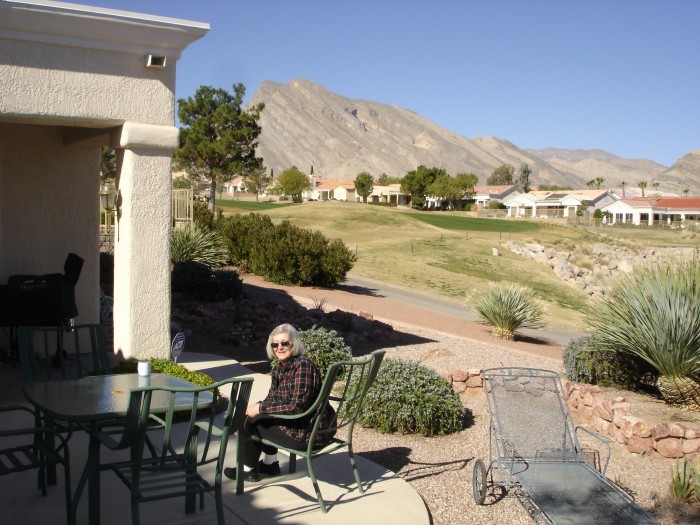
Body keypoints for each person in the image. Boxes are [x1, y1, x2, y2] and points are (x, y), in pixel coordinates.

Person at [224, 323, 336, 482]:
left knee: (253, 421)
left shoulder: (303, 366)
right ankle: (270, 465)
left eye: (285, 343)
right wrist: (254, 408)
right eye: (275, 344)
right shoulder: (279, 368)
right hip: (302, 424)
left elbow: (296, 407)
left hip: (310, 433)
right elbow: (273, 400)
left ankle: (248, 470)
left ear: (294, 344)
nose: (279, 347)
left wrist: (258, 410)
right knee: (257, 413)